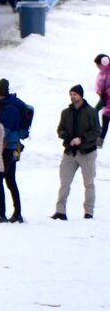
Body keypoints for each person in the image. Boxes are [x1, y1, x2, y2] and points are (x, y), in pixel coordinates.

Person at [55, 84, 99, 219]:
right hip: (70, 152)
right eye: (71, 94)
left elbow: (97, 131)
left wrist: (82, 139)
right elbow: (60, 129)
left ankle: (88, 212)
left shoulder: (91, 111)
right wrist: (66, 136)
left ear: (81, 95)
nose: (72, 96)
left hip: (87, 152)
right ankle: (60, 211)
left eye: (75, 94)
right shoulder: (66, 112)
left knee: (89, 183)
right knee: (64, 183)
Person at [0, 77, 32, 222]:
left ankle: (2, 212)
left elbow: (5, 130)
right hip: (15, 147)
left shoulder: (9, 109)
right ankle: (17, 213)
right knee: (10, 180)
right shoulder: (12, 105)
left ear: (1, 94)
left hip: (8, 147)